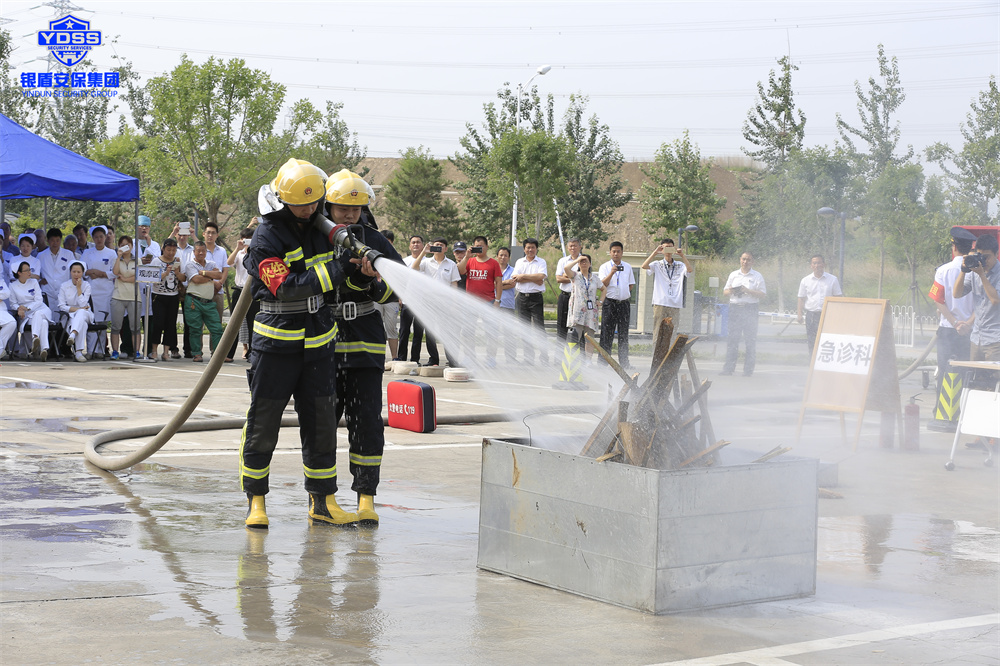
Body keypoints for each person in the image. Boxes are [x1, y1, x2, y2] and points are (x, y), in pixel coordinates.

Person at [240, 158, 364, 530]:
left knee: (322, 423)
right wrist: (340, 268)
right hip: (276, 343)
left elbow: (338, 278)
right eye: (300, 204)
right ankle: (256, 501)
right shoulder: (266, 237)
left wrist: (360, 267)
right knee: (264, 423)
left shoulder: (322, 227)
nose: (309, 210)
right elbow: (289, 287)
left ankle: (323, 502)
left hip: (319, 341)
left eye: (313, 203)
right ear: (283, 200)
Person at [325, 169, 403, 526]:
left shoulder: (374, 240)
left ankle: (366, 497)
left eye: (355, 208)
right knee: (321, 424)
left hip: (365, 342)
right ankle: (323, 498)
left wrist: (371, 284)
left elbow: (398, 286)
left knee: (367, 422)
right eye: (342, 208)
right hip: (322, 341)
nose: (349, 215)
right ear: (328, 205)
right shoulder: (315, 238)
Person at [927, 227, 977, 430]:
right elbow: (982, 303)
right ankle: (964, 415)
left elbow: (938, 300)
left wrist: (954, 322)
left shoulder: (943, 270)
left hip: (948, 329)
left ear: (954, 247)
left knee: (945, 370)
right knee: (967, 373)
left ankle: (941, 414)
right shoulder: (977, 270)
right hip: (971, 331)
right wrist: (967, 324)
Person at [411, 236, 460, 366]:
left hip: (445, 303)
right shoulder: (426, 262)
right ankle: (434, 359)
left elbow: (454, 285)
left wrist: (454, 305)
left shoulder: (451, 264)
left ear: (446, 249)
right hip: (429, 302)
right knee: (430, 333)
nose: (438, 247)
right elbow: (414, 267)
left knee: (447, 332)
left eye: (441, 245)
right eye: (436, 245)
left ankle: (452, 360)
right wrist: (424, 252)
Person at [953, 232, 1000, 364]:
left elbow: (995, 300)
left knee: (994, 376)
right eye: (980, 256)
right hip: (976, 337)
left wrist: (982, 275)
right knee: (974, 375)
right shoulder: (975, 272)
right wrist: (963, 270)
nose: (984, 261)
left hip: (995, 340)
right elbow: (956, 294)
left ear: (997, 254)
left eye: (987, 257)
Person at [641, 238, 693, 353]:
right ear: (662, 249)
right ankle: (656, 354)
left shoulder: (680, 265)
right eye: (665, 248)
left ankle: (669, 355)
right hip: (660, 302)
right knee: (658, 330)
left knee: (672, 331)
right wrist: (655, 252)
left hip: (675, 303)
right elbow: (644, 266)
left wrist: (682, 255)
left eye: (670, 247)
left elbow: (689, 270)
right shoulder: (657, 264)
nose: (668, 250)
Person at [721, 251, 766, 376]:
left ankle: (748, 370)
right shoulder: (734, 275)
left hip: (750, 308)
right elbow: (725, 292)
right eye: (744, 259)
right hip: (735, 308)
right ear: (740, 259)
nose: (745, 262)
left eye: (748, 260)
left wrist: (748, 291)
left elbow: (763, 294)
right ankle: (728, 369)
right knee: (732, 340)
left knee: (750, 340)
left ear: (752, 262)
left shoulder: (757, 276)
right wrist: (732, 290)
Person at [462, 235, 503, 366]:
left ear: (487, 247)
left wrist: (497, 300)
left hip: (488, 302)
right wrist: (467, 256)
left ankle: (491, 358)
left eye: (481, 246)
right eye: (476, 246)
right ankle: (469, 357)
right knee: (468, 332)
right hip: (470, 302)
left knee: (491, 332)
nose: (479, 248)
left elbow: (499, 282)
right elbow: (461, 271)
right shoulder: (470, 261)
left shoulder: (493, 263)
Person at [182, 241, 224, 363]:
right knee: (195, 329)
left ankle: (217, 354)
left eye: (203, 250)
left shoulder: (211, 263)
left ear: (206, 252)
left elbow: (219, 275)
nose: (201, 253)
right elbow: (196, 279)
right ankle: (197, 354)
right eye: (198, 251)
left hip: (209, 302)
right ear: (194, 252)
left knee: (217, 328)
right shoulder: (190, 265)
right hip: (194, 301)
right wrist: (211, 277)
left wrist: (204, 273)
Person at [598, 241, 635, 369]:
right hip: (610, 304)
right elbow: (602, 285)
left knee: (623, 334)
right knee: (606, 333)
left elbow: (630, 285)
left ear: (622, 253)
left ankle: (624, 362)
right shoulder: (604, 267)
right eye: (613, 251)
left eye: (618, 251)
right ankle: (603, 362)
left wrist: (622, 295)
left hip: (623, 304)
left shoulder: (628, 267)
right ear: (610, 253)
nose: (616, 254)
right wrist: (611, 273)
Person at [512, 237, 548, 364]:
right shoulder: (519, 262)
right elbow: (515, 278)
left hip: (536, 298)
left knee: (539, 328)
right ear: (524, 249)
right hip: (522, 298)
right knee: (524, 328)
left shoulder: (541, 262)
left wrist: (523, 276)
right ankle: (528, 357)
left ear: (536, 249)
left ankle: (544, 357)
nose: (530, 250)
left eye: (533, 247)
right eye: (528, 247)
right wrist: (534, 279)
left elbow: (541, 277)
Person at [796, 254, 843, 354]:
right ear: (811, 265)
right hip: (812, 315)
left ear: (824, 264)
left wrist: (838, 315)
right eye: (814, 263)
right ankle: (812, 362)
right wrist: (799, 314)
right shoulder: (805, 280)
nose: (817, 265)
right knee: (812, 342)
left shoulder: (832, 279)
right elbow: (801, 298)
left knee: (828, 341)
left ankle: (826, 362)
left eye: (819, 263)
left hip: (828, 315)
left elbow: (838, 298)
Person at [82, 226, 116, 359]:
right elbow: (82, 270)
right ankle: (90, 350)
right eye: (96, 237)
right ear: (93, 238)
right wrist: (90, 272)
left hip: (106, 291)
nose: (99, 239)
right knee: (92, 321)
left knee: (102, 323)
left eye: (101, 236)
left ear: (105, 237)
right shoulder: (87, 253)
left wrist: (101, 273)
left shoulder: (111, 253)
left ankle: (100, 350)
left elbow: (115, 272)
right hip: (91, 291)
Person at [149, 238, 184, 362]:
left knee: (170, 325)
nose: (171, 253)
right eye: (168, 250)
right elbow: (153, 278)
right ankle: (154, 351)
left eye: (173, 250)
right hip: (158, 295)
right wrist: (166, 272)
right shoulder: (156, 261)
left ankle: (166, 352)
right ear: (163, 249)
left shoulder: (177, 261)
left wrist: (177, 272)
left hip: (173, 296)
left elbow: (183, 278)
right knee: (158, 323)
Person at [9, 261, 52, 361]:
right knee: (43, 323)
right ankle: (44, 349)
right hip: (27, 315)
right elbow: (13, 303)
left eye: (30, 269)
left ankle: (35, 337)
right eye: (26, 270)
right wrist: (19, 309)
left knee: (38, 314)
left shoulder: (34, 282)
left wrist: (28, 308)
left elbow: (39, 300)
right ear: (19, 273)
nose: (30, 272)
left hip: (41, 309)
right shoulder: (13, 286)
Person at [226, 227, 257, 361]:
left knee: (253, 324)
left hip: (252, 292)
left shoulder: (257, 253)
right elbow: (229, 262)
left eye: (250, 239)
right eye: (245, 240)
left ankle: (252, 354)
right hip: (239, 291)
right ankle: (229, 353)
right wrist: (238, 248)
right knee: (234, 323)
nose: (247, 242)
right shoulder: (239, 254)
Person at [563, 254, 601, 359]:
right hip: (577, 311)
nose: (584, 263)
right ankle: (573, 360)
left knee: (590, 338)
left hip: (591, 312)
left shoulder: (595, 278)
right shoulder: (575, 276)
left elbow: (604, 289)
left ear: (590, 264)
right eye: (582, 261)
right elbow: (566, 268)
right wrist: (577, 260)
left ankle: (588, 361)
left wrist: (601, 301)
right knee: (575, 336)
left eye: (586, 261)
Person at [110, 235, 141, 360]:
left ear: (132, 246)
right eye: (122, 245)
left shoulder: (137, 260)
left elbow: (138, 276)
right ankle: (115, 351)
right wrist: (118, 257)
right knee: (116, 326)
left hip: (134, 296)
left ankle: (136, 351)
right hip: (118, 296)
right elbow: (115, 272)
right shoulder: (116, 259)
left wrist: (125, 279)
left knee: (135, 327)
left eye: (127, 245)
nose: (125, 247)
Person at [395, 235, 425, 362]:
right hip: (407, 301)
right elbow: (400, 280)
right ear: (409, 246)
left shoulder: (427, 262)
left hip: (422, 303)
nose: (416, 244)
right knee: (404, 332)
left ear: (423, 245)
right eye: (413, 242)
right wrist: (399, 297)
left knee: (418, 334)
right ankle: (401, 359)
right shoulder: (404, 261)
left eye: (418, 242)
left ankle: (415, 360)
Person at [372, 228, 400, 361]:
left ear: (392, 243)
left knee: (391, 329)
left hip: (391, 299)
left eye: (388, 242)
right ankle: (379, 358)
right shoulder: (371, 256)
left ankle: (395, 357)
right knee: (376, 328)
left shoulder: (396, 258)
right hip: (375, 298)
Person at [58, 261, 93, 363]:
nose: (76, 274)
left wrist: (78, 289)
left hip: (86, 314)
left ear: (82, 273)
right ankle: (78, 353)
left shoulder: (86, 285)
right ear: (70, 272)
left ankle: (73, 334)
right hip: (70, 316)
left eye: (79, 272)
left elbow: (83, 304)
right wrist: (78, 310)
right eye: (74, 272)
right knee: (83, 324)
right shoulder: (64, 286)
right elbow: (61, 306)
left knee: (81, 314)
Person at [39, 228, 75, 308]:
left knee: (63, 314)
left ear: (61, 241)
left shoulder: (68, 254)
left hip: (64, 291)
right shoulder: (41, 256)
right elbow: (36, 273)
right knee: (48, 314)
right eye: (52, 240)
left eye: (57, 240)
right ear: (47, 240)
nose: (55, 243)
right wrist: (40, 280)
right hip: (47, 291)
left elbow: (74, 272)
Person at [555, 238, 583, 342]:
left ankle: (579, 350)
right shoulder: (563, 261)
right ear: (567, 248)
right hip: (565, 296)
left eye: (575, 245)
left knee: (579, 326)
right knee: (561, 325)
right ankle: (560, 350)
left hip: (579, 298)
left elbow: (583, 278)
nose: (573, 248)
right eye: (571, 246)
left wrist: (566, 275)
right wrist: (573, 277)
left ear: (580, 247)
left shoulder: (584, 260)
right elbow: (558, 279)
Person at [496, 246, 518, 363]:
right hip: (494, 304)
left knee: (508, 333)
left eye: (505, 255)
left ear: (509, 257)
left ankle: (510, 358)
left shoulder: (513, 270)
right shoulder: (493, 269)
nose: (503, 257)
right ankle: (491, 358)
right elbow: (490, 284)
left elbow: (512, 284)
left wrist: (498, 284)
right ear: (497, 256)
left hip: (508, 304)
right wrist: (504, 283)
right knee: (493, 332)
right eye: (501, 255)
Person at [0, 276, 16, 360]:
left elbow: (7, 293)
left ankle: (0, 349)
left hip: (1, 310)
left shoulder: (1, 281)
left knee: (12, 323)